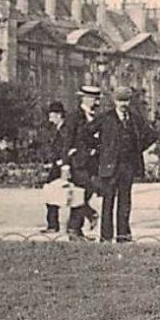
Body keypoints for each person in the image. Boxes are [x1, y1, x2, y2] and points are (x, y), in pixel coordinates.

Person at [93, 87, 156, 243]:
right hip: (110, 166)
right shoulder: (105, 118)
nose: (123, 104)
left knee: (125, 202)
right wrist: (101, 149)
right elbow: (85, 134)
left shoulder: (135, 118)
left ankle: (123, 235)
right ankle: (106, 236)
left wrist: (137, 149)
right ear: (114, 101)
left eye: (126, 100)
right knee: (108, 202)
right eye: (120, 100)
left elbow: (151, 135)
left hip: (127, 166)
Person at [64, 85, 103, 240]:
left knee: (84, 194)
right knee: (82, 192)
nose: (97, 102)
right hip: (77, 162)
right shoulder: (74, 116)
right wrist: (65, 164)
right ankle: (86, 217)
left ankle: (75, 230)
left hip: (91, 162)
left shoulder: (96, 117)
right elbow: (67, 141)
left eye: (97, 99)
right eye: (94, 99)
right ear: (85, 98)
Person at [39, 100, 71, 233]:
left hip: (64, 167)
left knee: (62, 194)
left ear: (59, 115)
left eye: (51, 115)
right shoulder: (56, 129)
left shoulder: (65, 130)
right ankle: (52, 223)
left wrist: (61, 161)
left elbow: (67, 148)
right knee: (53, 193)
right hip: (58, 166)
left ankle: (53, 225)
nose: (49, 118)